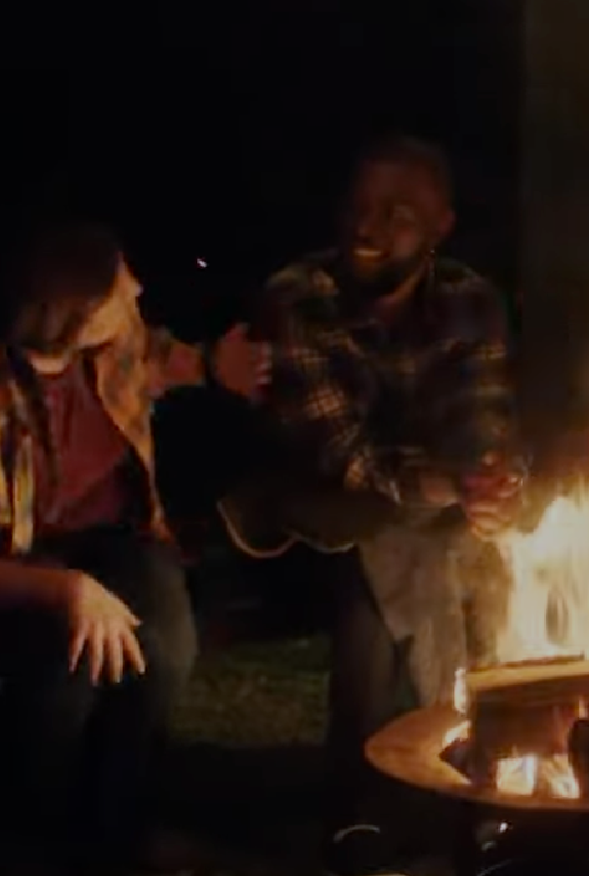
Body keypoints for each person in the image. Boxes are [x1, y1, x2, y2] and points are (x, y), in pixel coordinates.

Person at [0, 221, 267, 873]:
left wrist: (214, 364)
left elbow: (155, 357)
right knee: (66, 672)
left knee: (164, 645)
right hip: (15, 558)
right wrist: (65, 589)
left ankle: (118, 834)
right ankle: (25, 835)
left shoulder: (112, 343)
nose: (137, 288)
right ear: (73, 316)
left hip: (119, 537)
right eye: (118, 287)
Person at [217, 135, 523, 876]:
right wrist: (445, 486)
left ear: (440, 227)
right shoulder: (300, 297)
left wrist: (490, 483)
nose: (367, 227)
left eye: (396, 214)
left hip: (422, 513)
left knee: (427, 544)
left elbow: (484, 423)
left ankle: (361, 805)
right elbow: (343, 455)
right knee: (381, 545)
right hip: (301, 518)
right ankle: (456, 769)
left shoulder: (468, 300)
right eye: (359, 207)